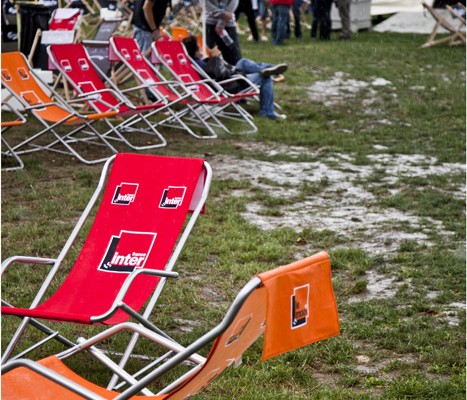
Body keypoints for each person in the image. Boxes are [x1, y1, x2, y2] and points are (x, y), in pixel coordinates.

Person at [182, 35, 288, 120]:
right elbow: (218, 75)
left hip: (228, 80)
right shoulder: (198, 64)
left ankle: (270, 68)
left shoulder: (192, 63)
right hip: (230, 85)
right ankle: (267, 112)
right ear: (196, 51)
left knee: (243, 62)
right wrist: (215, 57)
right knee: (265, 76)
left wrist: (217, 61)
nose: (201, 48)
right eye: (199, 46)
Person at [205, 0, 242, 65]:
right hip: (210, 24)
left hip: (228, 24)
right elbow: (206, 5)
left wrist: (221, 24)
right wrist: (224, 14)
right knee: (213, 58)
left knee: (235, 57)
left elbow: (233, 3)